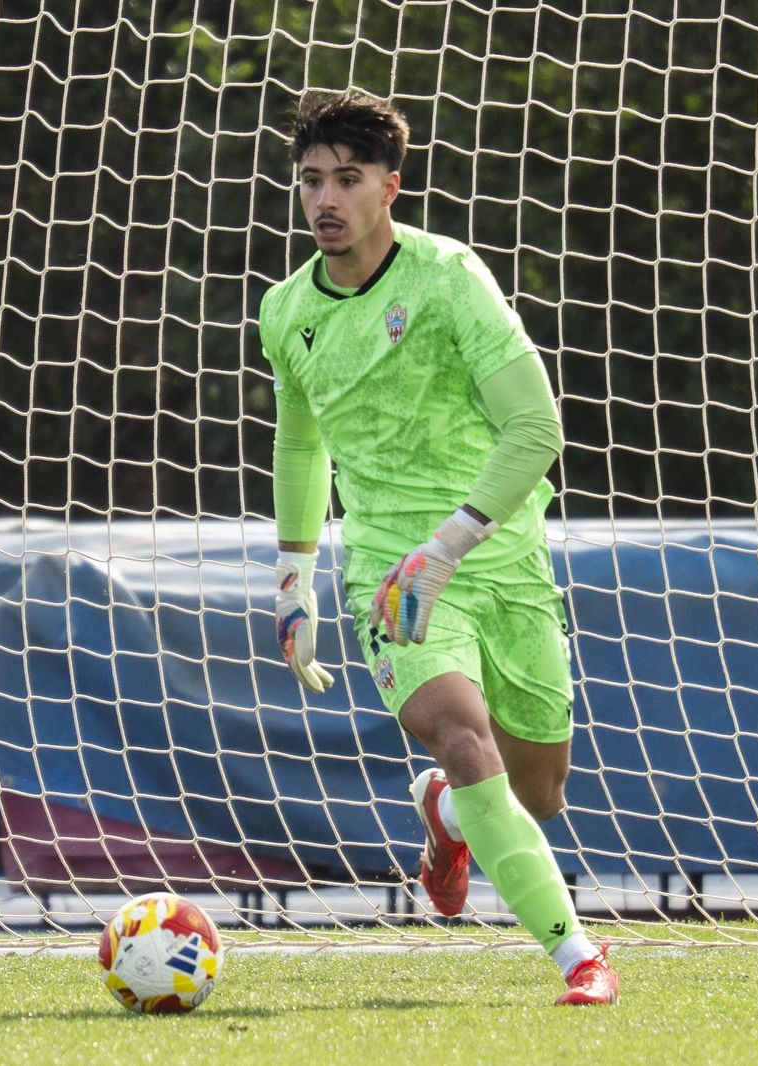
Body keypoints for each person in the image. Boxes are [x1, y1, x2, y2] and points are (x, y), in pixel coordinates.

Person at [258, 89, 618, 1006]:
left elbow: (536, 430)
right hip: (389, 570)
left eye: (347, 179)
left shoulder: (450, 278)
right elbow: (303, 442)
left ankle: (448, 815)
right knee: (462, 734)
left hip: (496, 553)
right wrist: (295, 578)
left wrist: (451, 545)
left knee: (535, 794)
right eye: (310, 181)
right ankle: (579, 955)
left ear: (391, 188)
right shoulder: (286, 311)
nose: (324, 199)